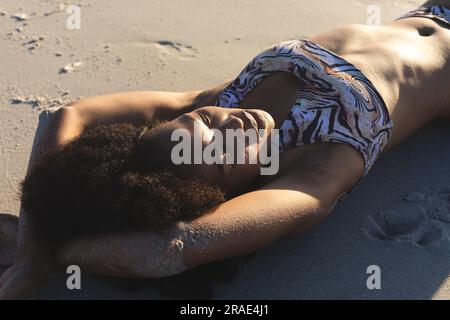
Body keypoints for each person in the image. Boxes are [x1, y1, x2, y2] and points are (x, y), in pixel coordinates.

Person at [1, 0, 449, 299]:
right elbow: (171, 246)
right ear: (220, 197)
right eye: (223, 151)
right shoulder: (318, 167)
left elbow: (63, 116)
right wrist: (51, 255)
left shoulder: (219, 99)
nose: (230, 123)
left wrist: (30, 251)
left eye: (203, 123)